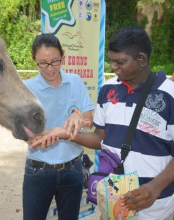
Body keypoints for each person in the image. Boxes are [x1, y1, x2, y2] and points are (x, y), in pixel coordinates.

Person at [64, 26, 174, 219]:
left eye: (120, 62)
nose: (113, 67)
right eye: (111, 61)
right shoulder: (107, 89)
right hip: (114, 206)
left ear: (141, 59)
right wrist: (67, 135)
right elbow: (101, 138)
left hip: (157, 209)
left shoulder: (170, 94)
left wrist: (155, 188)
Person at [23, 33, 94, 220]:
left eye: (55, 61)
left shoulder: (75, 81)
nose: (50, 69)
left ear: (63, 56)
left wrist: (79, 116)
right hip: (38, 170)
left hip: (73, 169)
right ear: (34, 60)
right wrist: (32, 137)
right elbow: (19, 128)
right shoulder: (26, 88)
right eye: (43, 63)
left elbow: (89, 117)